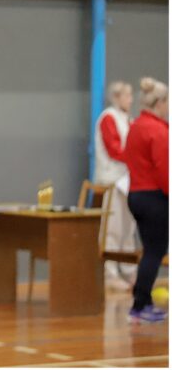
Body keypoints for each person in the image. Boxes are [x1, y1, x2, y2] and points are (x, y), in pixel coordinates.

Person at [123, 77, 168, 324]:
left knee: (150, 249)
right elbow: (164, 171)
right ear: (160, 102)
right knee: (155, 251)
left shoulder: (137, 125)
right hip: (153, 197)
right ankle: (140, 304)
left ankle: (145, 302)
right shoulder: (158, 130)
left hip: (136, 195)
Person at [93, 81, 137, 290]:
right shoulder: (108, 118)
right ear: (117, 97)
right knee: (112, 227)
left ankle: (129, 270)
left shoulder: (128, 119)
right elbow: (115, 149)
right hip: (112, 180)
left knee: (129, 228)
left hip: (128, 180)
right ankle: (109, 272)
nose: (131, 100)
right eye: (127, 96)